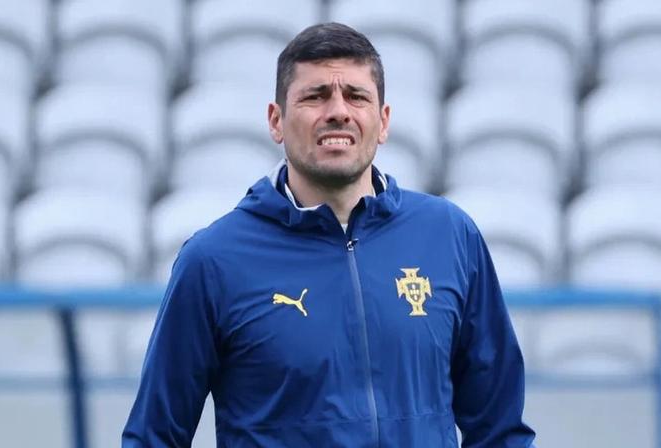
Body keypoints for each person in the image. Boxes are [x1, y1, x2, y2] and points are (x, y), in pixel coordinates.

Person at [123, 22, 536, 447]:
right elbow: (155, 436)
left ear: (383, 120)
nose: (338, 110)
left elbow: (500, 427)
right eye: (315, 95)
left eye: (356, 96)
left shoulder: (449, 235)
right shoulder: (213, 260)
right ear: (276, 120)